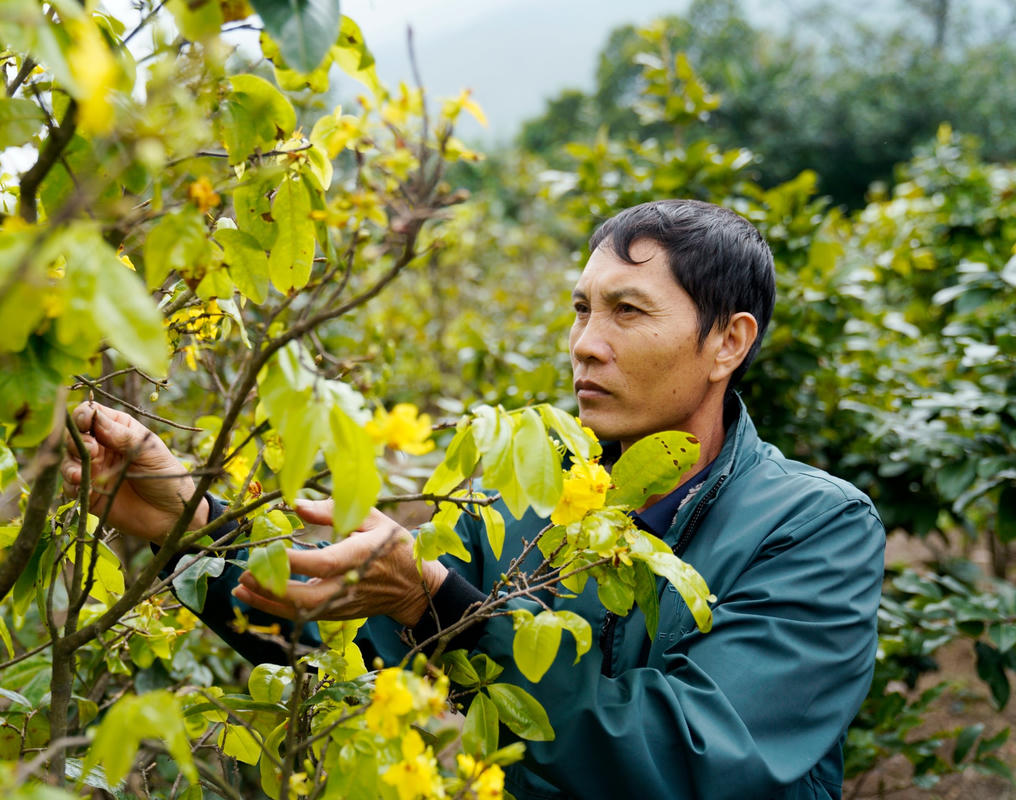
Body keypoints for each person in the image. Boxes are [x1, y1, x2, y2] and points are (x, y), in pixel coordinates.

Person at [63, 199, 885, 800]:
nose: (584, 344)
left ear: (728, 342)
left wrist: (438, 604)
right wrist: (192, 527)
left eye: (628, 312)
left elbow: (691, 759)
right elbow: (355, 662)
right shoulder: (522, 499)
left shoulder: (817, 527)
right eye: (581, 309)